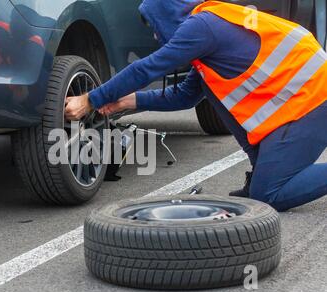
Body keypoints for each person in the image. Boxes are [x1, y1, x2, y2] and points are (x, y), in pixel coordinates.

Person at [65, 0, 327, 212]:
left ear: (167, 14)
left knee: (268, 194)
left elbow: (147, 68)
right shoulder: (208, 34)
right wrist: (125, 100)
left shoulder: (202, 27)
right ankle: (262, 169)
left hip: (315, 103)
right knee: (209, 88)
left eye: (155, 26)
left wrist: (90, 99)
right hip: (300, 105)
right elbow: (185, 96)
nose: (156, 35)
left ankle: (266, 178)